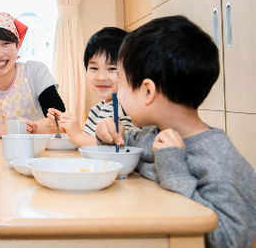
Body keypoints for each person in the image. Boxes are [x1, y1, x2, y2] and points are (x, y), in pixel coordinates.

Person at [95, 15, 256, 248]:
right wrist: (106, 134)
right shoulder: (149, 134)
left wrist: (174, 169)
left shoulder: (218, 158)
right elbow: (120, 149)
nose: (117, 94)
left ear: (147, 92)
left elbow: (230, 240)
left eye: (122, 83)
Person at [48, 27, 134, 146]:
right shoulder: (96, 110)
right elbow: (87, 143)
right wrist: (67, 124)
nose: (101, 77)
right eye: (94, 68)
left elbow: (120, 147)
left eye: (112, 69)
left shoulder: (128, 108)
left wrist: (77, 134)